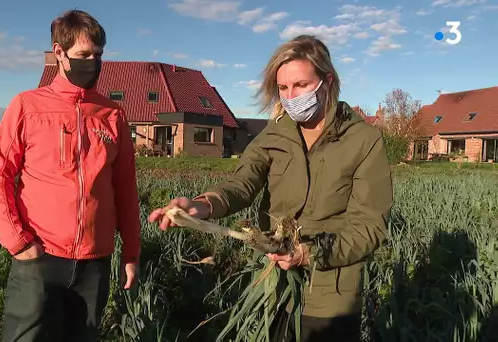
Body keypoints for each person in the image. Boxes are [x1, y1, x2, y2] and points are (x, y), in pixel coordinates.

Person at [149, 35, 393, 342]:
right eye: (283, 88)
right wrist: (201, 206)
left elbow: (369, 226)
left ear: (327, 81)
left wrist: (309, 253)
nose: (291, 96)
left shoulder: (363, 140)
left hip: (332, 288)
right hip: (275, 281)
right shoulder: (274, 134)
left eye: (301, 85)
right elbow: (241, 182)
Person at [0, 9, 141, 342]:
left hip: (94, 264)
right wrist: (16, 241)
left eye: (98, 55)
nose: (93, 63)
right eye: (84, 55)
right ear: (59, 53)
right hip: (40, 258)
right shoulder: (27, 106)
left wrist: (131, 252)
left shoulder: (112, 114)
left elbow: (125, 187)